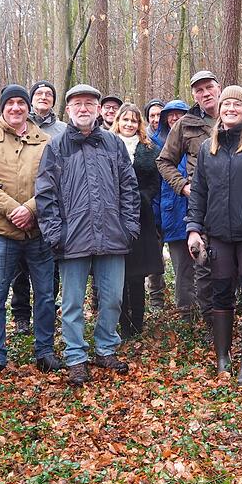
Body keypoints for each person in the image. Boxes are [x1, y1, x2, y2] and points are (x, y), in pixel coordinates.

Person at [35, 84, 140, 386]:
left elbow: (129, 188)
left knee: (111, 300)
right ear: (68, 110)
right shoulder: (56, 147)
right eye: (77, 104)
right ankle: (76, 357)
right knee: (71, 304)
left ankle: (106, 348)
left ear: (98, 109)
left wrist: (129, 226)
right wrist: (55, 233)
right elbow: (45, 193)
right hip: (72, 239)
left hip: (112, 237)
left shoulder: (113, 143)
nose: (84, 108)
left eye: (89, 104)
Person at [186, 86, 242, 384]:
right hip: (219, 234)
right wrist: (194, 229)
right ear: (220, 110)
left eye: (238, 104)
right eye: (227, 104)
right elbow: (198, 192)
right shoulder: (207, 148)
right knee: (221, 293)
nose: (231, 108)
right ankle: (223, 357)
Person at [0, 84, 61, 375]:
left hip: (38, 231)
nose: (16, 108)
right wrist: (13, 210)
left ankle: (44, 350)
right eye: (10, 103)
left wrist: (30, 210)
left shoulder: (45, 141)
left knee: (45, 294)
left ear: (27, 108)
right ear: (2, 107)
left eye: (21, 103)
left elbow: (53, 180)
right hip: (0, 231)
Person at [156, 70, 222, 340]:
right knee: (204, 265)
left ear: (219, 88)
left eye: (209, 87)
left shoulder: (236, 113)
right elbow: (164, 161)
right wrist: (183, 186)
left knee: (233, 264)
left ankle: (229, 314)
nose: (205, 93)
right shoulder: (185, 124)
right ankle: (210, 323)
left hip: (236, 203)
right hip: (202, 204)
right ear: (194, 95)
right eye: (199, 90)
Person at [9, 80, 67, 335]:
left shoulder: (63, 129)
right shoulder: (21, 124)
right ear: (31, 100)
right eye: (39, 93)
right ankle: (21, 315)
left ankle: (47, 313)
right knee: (19, 271)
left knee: (50, 267)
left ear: (54, 100)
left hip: (52, 207)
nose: (44, 97)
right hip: (18, 207)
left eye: (49, 94)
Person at [111, 103, 164, 338]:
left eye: (133, 121)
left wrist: (144, 197)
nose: (129, 124)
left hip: (142, 215)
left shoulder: (149, 148)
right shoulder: (108, 144)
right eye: (125, 120)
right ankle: (122, 322)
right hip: (112, 216)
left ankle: (137, 323)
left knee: (137, 272)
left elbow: (156, 181)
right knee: (117, 271)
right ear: (118, 121)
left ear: (139, 124)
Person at [152, 100, 197, 322]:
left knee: (202, 264)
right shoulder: (154, 145)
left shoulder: (196, 142)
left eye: (180, 114)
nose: (175, 118)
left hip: (197, 212)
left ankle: (203, 308)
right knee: (182, 268)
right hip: (171, 213)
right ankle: (185, 311)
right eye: (170, 115)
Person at [143, 98, 166, 308]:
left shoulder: (173, 135)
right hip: (151, 206)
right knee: (154, 256)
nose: (156, 119)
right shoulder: (145, 140)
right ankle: (156, 296)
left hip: (170, 203)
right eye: (152, 115)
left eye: (160, 114)